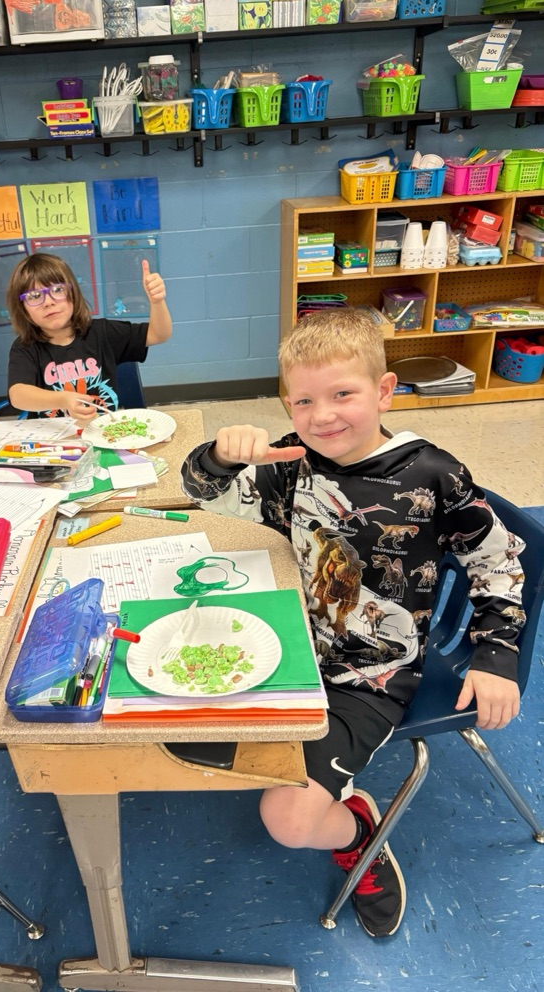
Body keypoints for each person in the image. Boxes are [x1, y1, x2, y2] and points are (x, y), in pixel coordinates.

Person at [180, 308, 526, 939]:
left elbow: (498, 562)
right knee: (172, 725)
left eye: (343, 394)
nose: (323, 416)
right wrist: (219, 456)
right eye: (304, 401)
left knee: (288, 819)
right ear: (288, 404)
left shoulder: (433, 475)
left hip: (369, 677)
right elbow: (204, 491)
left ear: (384, 390)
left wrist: (497, 655)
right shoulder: (293, 463)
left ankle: (358, 830)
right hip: (287, 641)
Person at [6, 253, 171, 423]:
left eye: (57, 290)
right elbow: (18, 395)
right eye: (34, 296)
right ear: (23, 308)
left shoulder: (102, 332)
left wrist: (157, 302)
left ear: (73, 293)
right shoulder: (25, 347)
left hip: (102, 431)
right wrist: (63, 399)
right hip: (54, 436)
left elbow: (158, 334)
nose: (48, 302)